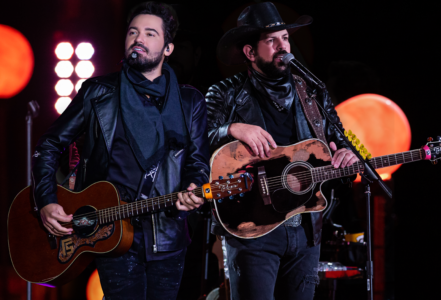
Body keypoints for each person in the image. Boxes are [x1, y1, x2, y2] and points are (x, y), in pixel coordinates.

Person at [31, 2, 210, 299]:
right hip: (111, 231)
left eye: (150, 33)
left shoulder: (190, 101)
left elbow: (198, 161)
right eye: (133, 32)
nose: (138, 39)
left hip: (167, 236)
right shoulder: (98, 92)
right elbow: (48, 144)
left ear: (168, 48)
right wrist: (46, 200)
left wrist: (194, 187)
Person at [206, 2, 358, 300]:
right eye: (271, 40)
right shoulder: (225, 93)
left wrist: (347, 156)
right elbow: (193, 144)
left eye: (285, 38)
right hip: (251, 227)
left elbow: (341, 141)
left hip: (306, 228)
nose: (282, 46)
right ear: (250, 52)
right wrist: (232, 129)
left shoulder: (312, 92)